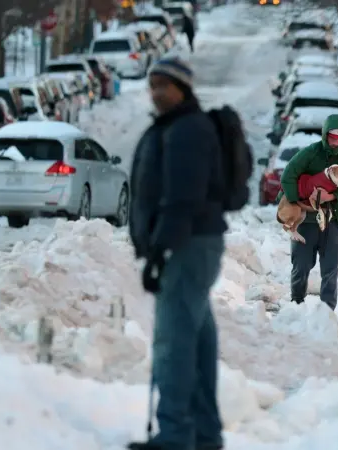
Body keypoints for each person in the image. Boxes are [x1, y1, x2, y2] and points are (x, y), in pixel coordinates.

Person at [127, 56, 227, 450]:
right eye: (152, 85)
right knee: (196, 342)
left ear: (182, 87)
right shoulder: (179, 126)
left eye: (162, 85)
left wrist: (160, 251)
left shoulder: (187, 130)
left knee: (174, 343)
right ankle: (204, 434)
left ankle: (174, 436)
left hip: (186, 244)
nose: (155, 93)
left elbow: (181, 198)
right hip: (192, 243)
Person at [279, 114, 338, 311]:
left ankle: (327, 311)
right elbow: (288, 175)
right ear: (325, 135)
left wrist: (331, 198)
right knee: (301, 265)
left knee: (331, 268)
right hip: (306, 220)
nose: (336, 141)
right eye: (333, 136)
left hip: (334, 218)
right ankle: (297, 305)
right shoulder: (310, 153)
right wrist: (295, 199)